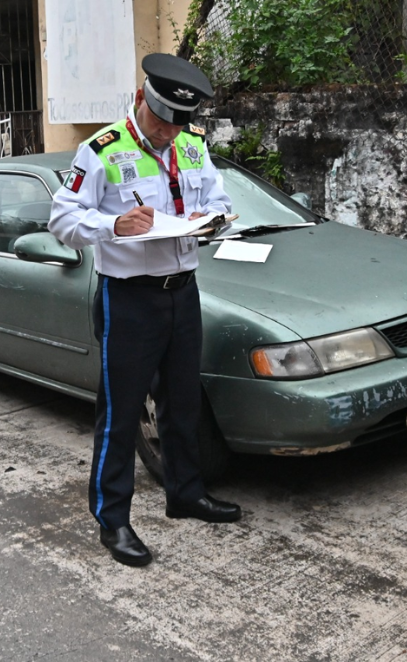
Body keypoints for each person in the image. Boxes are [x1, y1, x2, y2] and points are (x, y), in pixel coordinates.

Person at [48, 53, 242, 567]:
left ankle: (185, 492)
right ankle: (112, 519)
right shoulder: (101, 150)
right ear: (140, 101)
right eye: (160, 124)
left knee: (182, 403)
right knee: (121, 412)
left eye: (177, 127)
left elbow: (220, 200)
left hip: (184, 290)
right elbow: (62, 221)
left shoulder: (193, 145)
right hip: (129, 298)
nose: (167, 136)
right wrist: (114, 226)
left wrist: (213, 218)